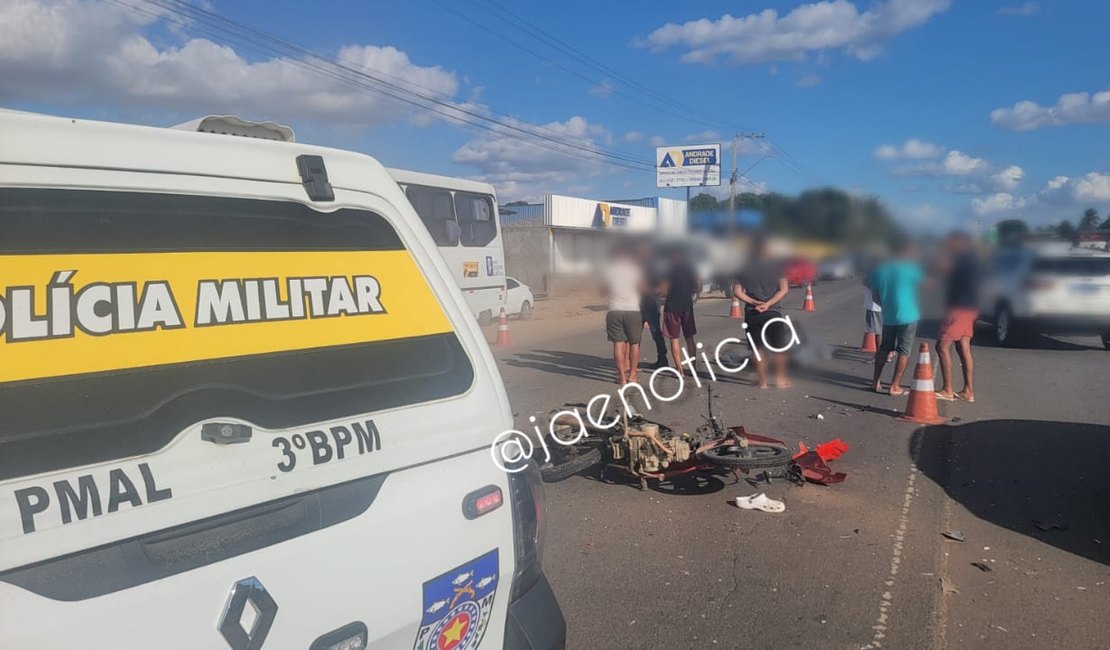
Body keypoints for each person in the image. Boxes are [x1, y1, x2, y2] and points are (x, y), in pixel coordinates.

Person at [734, 237, 792, 388]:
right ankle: (780, 380)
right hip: (773, 312)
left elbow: (737, 291)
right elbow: (784, 289)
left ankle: (762, 381)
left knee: (757, 348)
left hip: (752, 314)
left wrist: (754, 302)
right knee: (779, 348)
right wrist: (768, 304)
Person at [870, 239, 924, 396]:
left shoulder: (878, 270)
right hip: (909, 315)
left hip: (888, 316)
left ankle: (875, 381)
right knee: (904, 351)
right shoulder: (911, 268)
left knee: (884, 348)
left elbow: (875, 296)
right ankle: (895, 386)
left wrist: (887, 304)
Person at [935, 231, 979, 403]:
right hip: (970, 307)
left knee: (942, 346)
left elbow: (944, 271)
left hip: (958, 309)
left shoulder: (961, 260)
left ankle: (947, 389)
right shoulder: (972, 260)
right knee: (963, 347)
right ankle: (968, 390)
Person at [603, 243, 645, 385]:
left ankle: (621, 377)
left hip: (615, 310)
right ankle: (632, 375)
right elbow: (642, 288)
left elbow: (604, 290)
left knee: (618, 345)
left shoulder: (609, 270)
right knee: (634, 344)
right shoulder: (635, 270)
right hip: (633, 310)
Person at [659, 247, 701, 378]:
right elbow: (698, 286)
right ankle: (693, 368)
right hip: (687, 307)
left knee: (674, 339)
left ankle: (680, 370)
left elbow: (663, 291)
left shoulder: (668, 271)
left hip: (672, 308)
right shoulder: (691, 269)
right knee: (690, 338)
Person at [637, 243, 668, 369]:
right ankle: (633, 362)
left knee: (656, 334)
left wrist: (648, 291)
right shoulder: (639, 267)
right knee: (635, 336)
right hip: (639, 305)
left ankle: (662, 358)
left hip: (651, 305)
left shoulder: (656, 269)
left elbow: (662, 289)